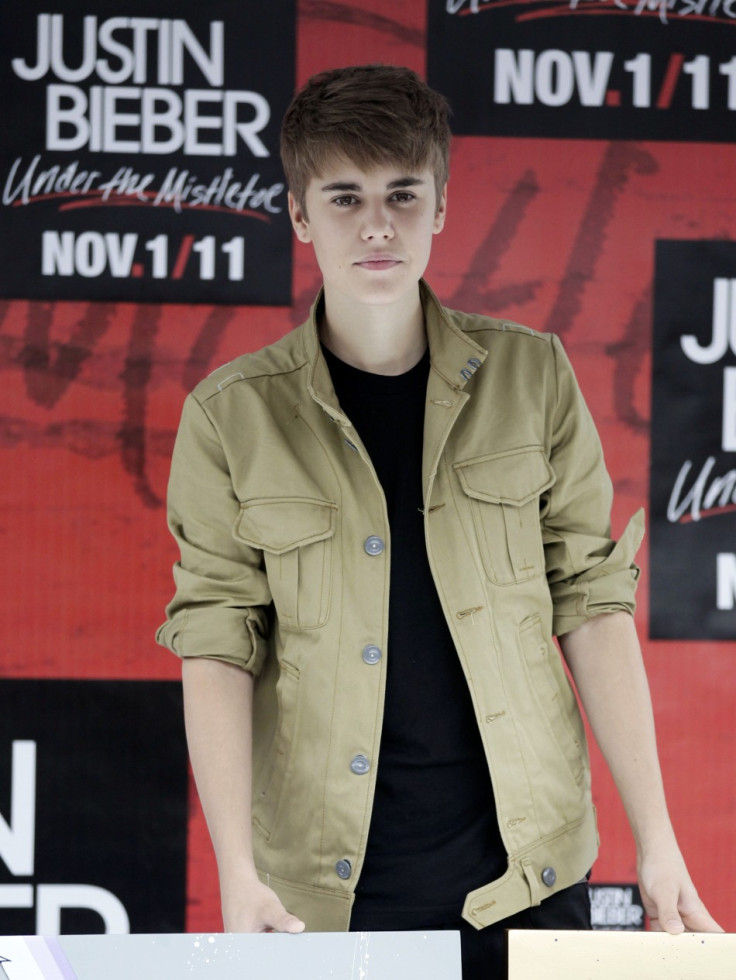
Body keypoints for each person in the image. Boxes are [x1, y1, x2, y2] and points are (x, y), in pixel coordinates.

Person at [157, 64, 721, 977]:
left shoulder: (532, 377)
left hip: (528, 874)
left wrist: (657, 841)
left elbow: (592, 602)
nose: (377, 223)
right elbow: (216, 641)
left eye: (401, 193)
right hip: (325, 894)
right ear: (300, 215)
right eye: (344, 196)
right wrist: (238, 870)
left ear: (441, 206)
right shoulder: (231, 418)